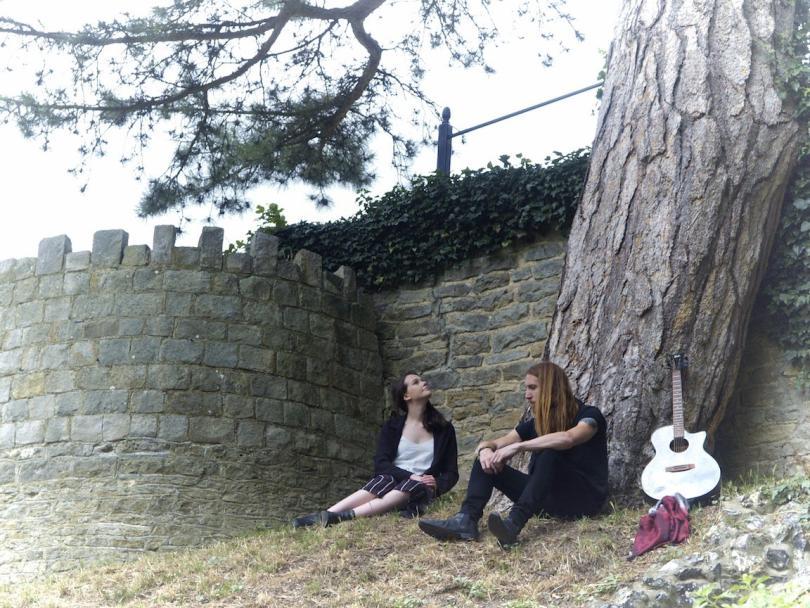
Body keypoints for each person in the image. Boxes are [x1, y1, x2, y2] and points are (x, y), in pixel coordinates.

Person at [418, 361, 608, 548]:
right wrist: (485, 451)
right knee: (485, 461)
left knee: (550, 451)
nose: (527, 395)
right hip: (550, 501)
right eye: (526, 388)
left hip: (583, 501)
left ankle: (513, 524)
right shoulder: (535, 424)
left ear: (552, 388)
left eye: (533, 388)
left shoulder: (589, 416)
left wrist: (519, 447)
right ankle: (465, 520)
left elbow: (568, 438)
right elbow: (493, 443)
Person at [292, 372, 459, 528]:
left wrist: (437, 484)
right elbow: (381, 463)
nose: (424, 382)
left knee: (413, 483)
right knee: (384, 479)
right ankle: (326, 514)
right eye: (416, 382)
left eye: (422, 380)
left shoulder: (444, 429)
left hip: (421, 488)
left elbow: (451, 472)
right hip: (392, 479)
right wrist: (410, 475)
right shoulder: (392, 427)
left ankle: (344, 517)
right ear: (406, 395)